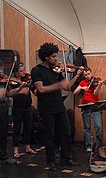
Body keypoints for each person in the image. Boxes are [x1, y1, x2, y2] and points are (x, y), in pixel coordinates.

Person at [31, 42, 80, 171]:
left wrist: (73, 76)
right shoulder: (36, 70)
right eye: (53, 56)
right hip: (46, 107)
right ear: (46, 57)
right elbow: (40, 89)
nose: (56, 59)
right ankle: (51, 161)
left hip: (59, 105)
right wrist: (58, 85)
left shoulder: (55, 71)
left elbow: (66, 86)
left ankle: (66, 158)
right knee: (50, 135)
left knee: (66, 131)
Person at [0, 59, 27, 172]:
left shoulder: (4, 80)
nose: (1, 72)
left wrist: (19, 88)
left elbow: (9, 94)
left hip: (3, 107)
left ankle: (4, 157)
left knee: (3, 133)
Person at [74, 67, 105, 153]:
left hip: (95, 107)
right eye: (85, 75)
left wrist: (98, 85)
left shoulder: (96, 81)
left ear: (91, 73)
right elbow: (75, 92)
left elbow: (95, 93)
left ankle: (98, 146)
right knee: (87, 128)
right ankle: (88, 146)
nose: (87, 76)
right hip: (85, 106)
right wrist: (81, 88)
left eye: (88, 74)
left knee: (98, 127)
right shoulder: (83, 82)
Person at [11, 62, 37, 158]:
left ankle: (28, 147)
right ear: (16, 73)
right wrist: (21, 89)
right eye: (21, 71)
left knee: (28, 127)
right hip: (17, 107)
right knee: (16, 129)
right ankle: (15, 149)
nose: (24, 73)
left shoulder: (28, 79)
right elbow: (11, 93)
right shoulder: (13, 82)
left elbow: (32, 90)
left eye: (24, 70)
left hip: (28, 106)